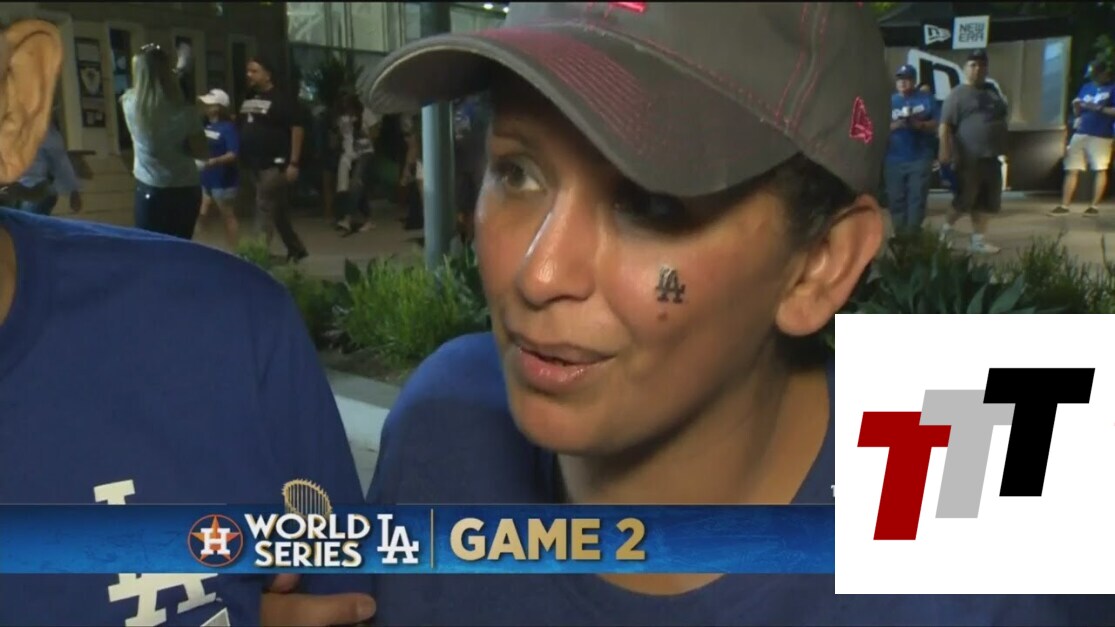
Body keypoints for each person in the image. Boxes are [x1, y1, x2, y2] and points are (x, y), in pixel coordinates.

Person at [352, 4, 1114, 625]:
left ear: (819, 263)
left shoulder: (1005, 486)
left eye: (650, 203)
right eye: (517, 172)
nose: (538, 272)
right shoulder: (447, 415)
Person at [0, 20, 375, 626]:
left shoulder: (227, 330)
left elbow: (342, 586)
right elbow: (194, 143)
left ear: (16, 104)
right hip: (175, 188)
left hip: (161, 195)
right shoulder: (173, 112)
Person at [121, 43, 208, 239]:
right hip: (185, 188)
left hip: (150, 187)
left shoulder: (129, 104)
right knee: (180, 248)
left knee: (151, 248)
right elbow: (202, 151)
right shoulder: (185, 112)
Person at [239, 55, 309, 263]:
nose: (249, 75)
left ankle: (256, 253)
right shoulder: (249, 97)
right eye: (248, 71)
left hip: (274, 164)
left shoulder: (281, 99)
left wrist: (293, 162)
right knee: (276, 209)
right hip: (254, 163)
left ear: (267, 75)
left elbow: (297, 129)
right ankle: (296, 248)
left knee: (263, 204)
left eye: (254, 71)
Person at [937, 49, 1007, 255]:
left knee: (986, 202)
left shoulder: (992, 90)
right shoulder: (957, 94)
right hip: (969, 158)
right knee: (964, 199)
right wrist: (944, 151)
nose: (977, 69)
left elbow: (1001, 114)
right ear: (965, 68)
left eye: (982, 65)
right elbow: (945, 126)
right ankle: (945, 233)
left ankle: (978, 240)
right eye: (973, 65)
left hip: (991, 156)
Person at [1050, 59, 1115, 217]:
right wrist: (1077, 107)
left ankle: (1094, 206)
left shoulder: (1112, 89)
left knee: (1099, 168)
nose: (1094, 79)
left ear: (1105, 73)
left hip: (1101, 134)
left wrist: (1097, 107)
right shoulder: (1086, 87)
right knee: (1071, 168)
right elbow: (1079, 112)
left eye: (1096, 75)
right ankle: (1064, 205)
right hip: (1081, 131)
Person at [884, 65, 938, 233]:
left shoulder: (926, 99)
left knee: (917, 199)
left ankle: (913, 236)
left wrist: (919, 124)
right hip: (894, 158)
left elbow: (937, 122)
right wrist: (896, 125)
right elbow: (877, 128)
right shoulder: (889, 101)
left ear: (914, 81)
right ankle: (900, 237)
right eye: (900, 79)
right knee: (895, 199)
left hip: (920, 157)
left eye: (906, 79)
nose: (903, 82)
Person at [6, 117, 82, 216]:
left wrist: (74, 192)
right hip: (12, 189)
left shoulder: (44, 130)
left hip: (37, 188)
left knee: (28, 221)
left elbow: (60, 160)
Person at [195, 88, 241, 249]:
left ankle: (233, 250)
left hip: (223, 180)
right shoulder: (207, 126)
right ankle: (202, 247)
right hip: (206, 178)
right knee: (201, 215)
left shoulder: (228, 128)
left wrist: (213, 161)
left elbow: (233, 153)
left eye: (210, 104)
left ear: (219, 107)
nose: (205, 107)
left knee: (227, 215)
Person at [335, 93, 380, 235]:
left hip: (364, 152)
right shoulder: (342, 117)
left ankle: (348, 217)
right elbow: (342, 135)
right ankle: (367, 218)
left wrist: (364, 134)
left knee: (356, 183)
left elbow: (375, 133)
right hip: (348, 153)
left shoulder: (365, 113)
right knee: (349, 187)